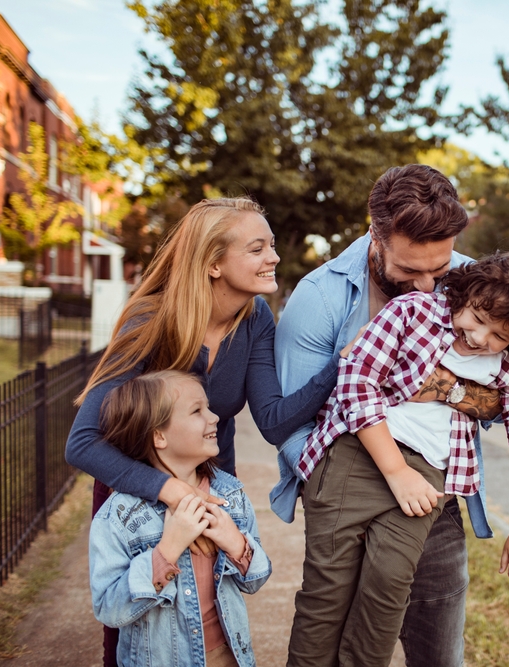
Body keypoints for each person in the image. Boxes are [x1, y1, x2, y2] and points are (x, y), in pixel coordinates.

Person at [67, 197, 339, 666]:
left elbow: (272, 419)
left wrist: (340, 368)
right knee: (138, 624)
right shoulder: (151, 319)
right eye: (257, 248)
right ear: (214, 263)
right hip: (137, 486)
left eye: (271, 245)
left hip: (210, 483)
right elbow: (84, 441)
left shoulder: (255, 319)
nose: (273, 257)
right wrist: (173, 493)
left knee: (213, 608)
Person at [271, 164, 505, 667]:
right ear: (375, 234)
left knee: (438, 651)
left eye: (438, 273)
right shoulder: (318, 299)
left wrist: (428, 387)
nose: (426, 288)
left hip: (431, 499)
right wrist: (329, 487)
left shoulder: (476, 283)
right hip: (343, 487)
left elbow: (498, 405)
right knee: (323, 632)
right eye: (408, 271)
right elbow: (290, 423)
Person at [290, 250, 509, 666]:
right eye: (478, 318)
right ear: (466, 294)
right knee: (327, 594)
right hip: (355, 454)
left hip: (426, 477)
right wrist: (395, 471)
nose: (479, 338)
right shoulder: (412, 312)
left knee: (390, 583)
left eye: (498, 336)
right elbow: (357, 383)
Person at [89, 370, 271, 667]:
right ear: (158, 436)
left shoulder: (229, 494)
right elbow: (109, 609)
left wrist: (236, 543)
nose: (214, 418)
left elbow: (256, 581)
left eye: (208, 407)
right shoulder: (120, 516)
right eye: (197, 410)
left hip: (227, 658)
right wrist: (166, 551)